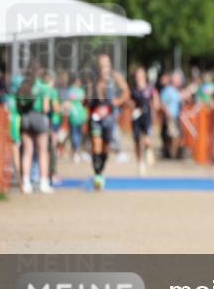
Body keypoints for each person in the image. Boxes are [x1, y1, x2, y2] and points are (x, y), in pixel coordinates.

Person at [90, 54, 130, 191]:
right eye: (101, 65)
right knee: (96, 144)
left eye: (106, 64)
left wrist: (117, 102)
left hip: (110, 118)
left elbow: (126, 92)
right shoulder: (94, 79)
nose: (103, 68)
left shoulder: (116, 77)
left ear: (110, 65)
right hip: (96, 117)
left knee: (105, 147)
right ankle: (97, 175)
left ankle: (101, 170)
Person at [15, 68, 53, 194]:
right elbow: (46, 108)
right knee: (42, 152)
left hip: (25, 118)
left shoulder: (23, 85)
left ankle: (26, 183)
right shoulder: (43, 87)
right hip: (39, 118)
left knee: (27, 152)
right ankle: (43, 182)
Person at [130, 66, 160, 176]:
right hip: (136, 118)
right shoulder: (133, 90)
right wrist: (133, 110)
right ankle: (140, 163)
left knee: (147, 140)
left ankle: (148, 150)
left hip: (147, 117)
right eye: (137, 75)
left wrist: (154, 111)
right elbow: (129, 102)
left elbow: (156, 102)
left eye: (140, 75)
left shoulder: (150, 89)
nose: (139, 77)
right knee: (137, 141)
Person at [160, 70, 184, 159]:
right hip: (170, 117)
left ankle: (173, 153)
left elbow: (181, 99)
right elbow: (162, 102)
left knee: (176, 136)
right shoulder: (168, 90)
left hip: (176, 117)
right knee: (174, 135)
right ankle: (171, 153)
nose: (180, 81)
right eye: (179, 79)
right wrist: (167, 112)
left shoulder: (176, 90)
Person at [64, 76, 88, 163]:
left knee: (79, 134)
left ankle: (78, 152)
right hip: (74, 116)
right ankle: (75, 152)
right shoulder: (70, 91)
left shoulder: (80, 90)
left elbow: (84, 102)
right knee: (74, 135)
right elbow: (67, 104)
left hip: (80, 116)